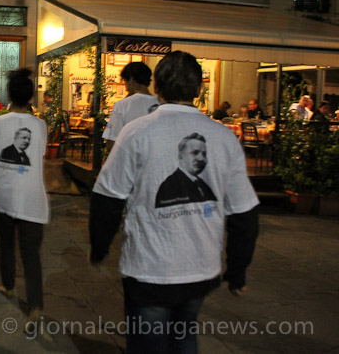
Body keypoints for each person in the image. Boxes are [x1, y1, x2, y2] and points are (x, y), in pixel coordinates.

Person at [89, 51, 259, 354]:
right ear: (199, 89)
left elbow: (108, 198)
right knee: (184, 336)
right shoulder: (223, 137)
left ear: (157, 87)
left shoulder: (137, 132)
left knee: (148, 344)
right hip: (200, 268)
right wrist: (237, 271)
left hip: (149, 268)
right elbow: (244, 213)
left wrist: (99, 248)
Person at [0, 68, 50, 333]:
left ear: (9, 96)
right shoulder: (40, 125)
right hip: (32, 197)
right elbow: (40, 156)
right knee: (31, 253)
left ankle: (8, 285)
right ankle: (35, 306)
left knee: (6, 243)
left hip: (4, 193)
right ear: (31, 97)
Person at [102, 62, 159, 152]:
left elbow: (112, 142)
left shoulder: (122, 105)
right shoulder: (160, 103)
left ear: (131, 80)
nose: (126, 87)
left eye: (125, 81)